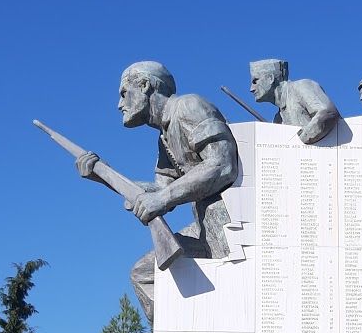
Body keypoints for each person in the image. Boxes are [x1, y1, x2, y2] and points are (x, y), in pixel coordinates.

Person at [75, 60, 240, 317]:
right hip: (204, 226)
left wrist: (163, 198)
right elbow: (157, 190)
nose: (119, 104)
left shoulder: (189, 105)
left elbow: (222, 163)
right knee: (144, 274)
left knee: (233, 299)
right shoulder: (164, 137)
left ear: (145, 85)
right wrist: (103, 175)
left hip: (230, 222)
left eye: (124, 93)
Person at [248, 58, 341, 144]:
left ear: (270, 78)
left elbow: (328, 111)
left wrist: (301, 139)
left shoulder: (301, 86)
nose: (251, 89)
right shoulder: (277, 119)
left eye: (255, 81)